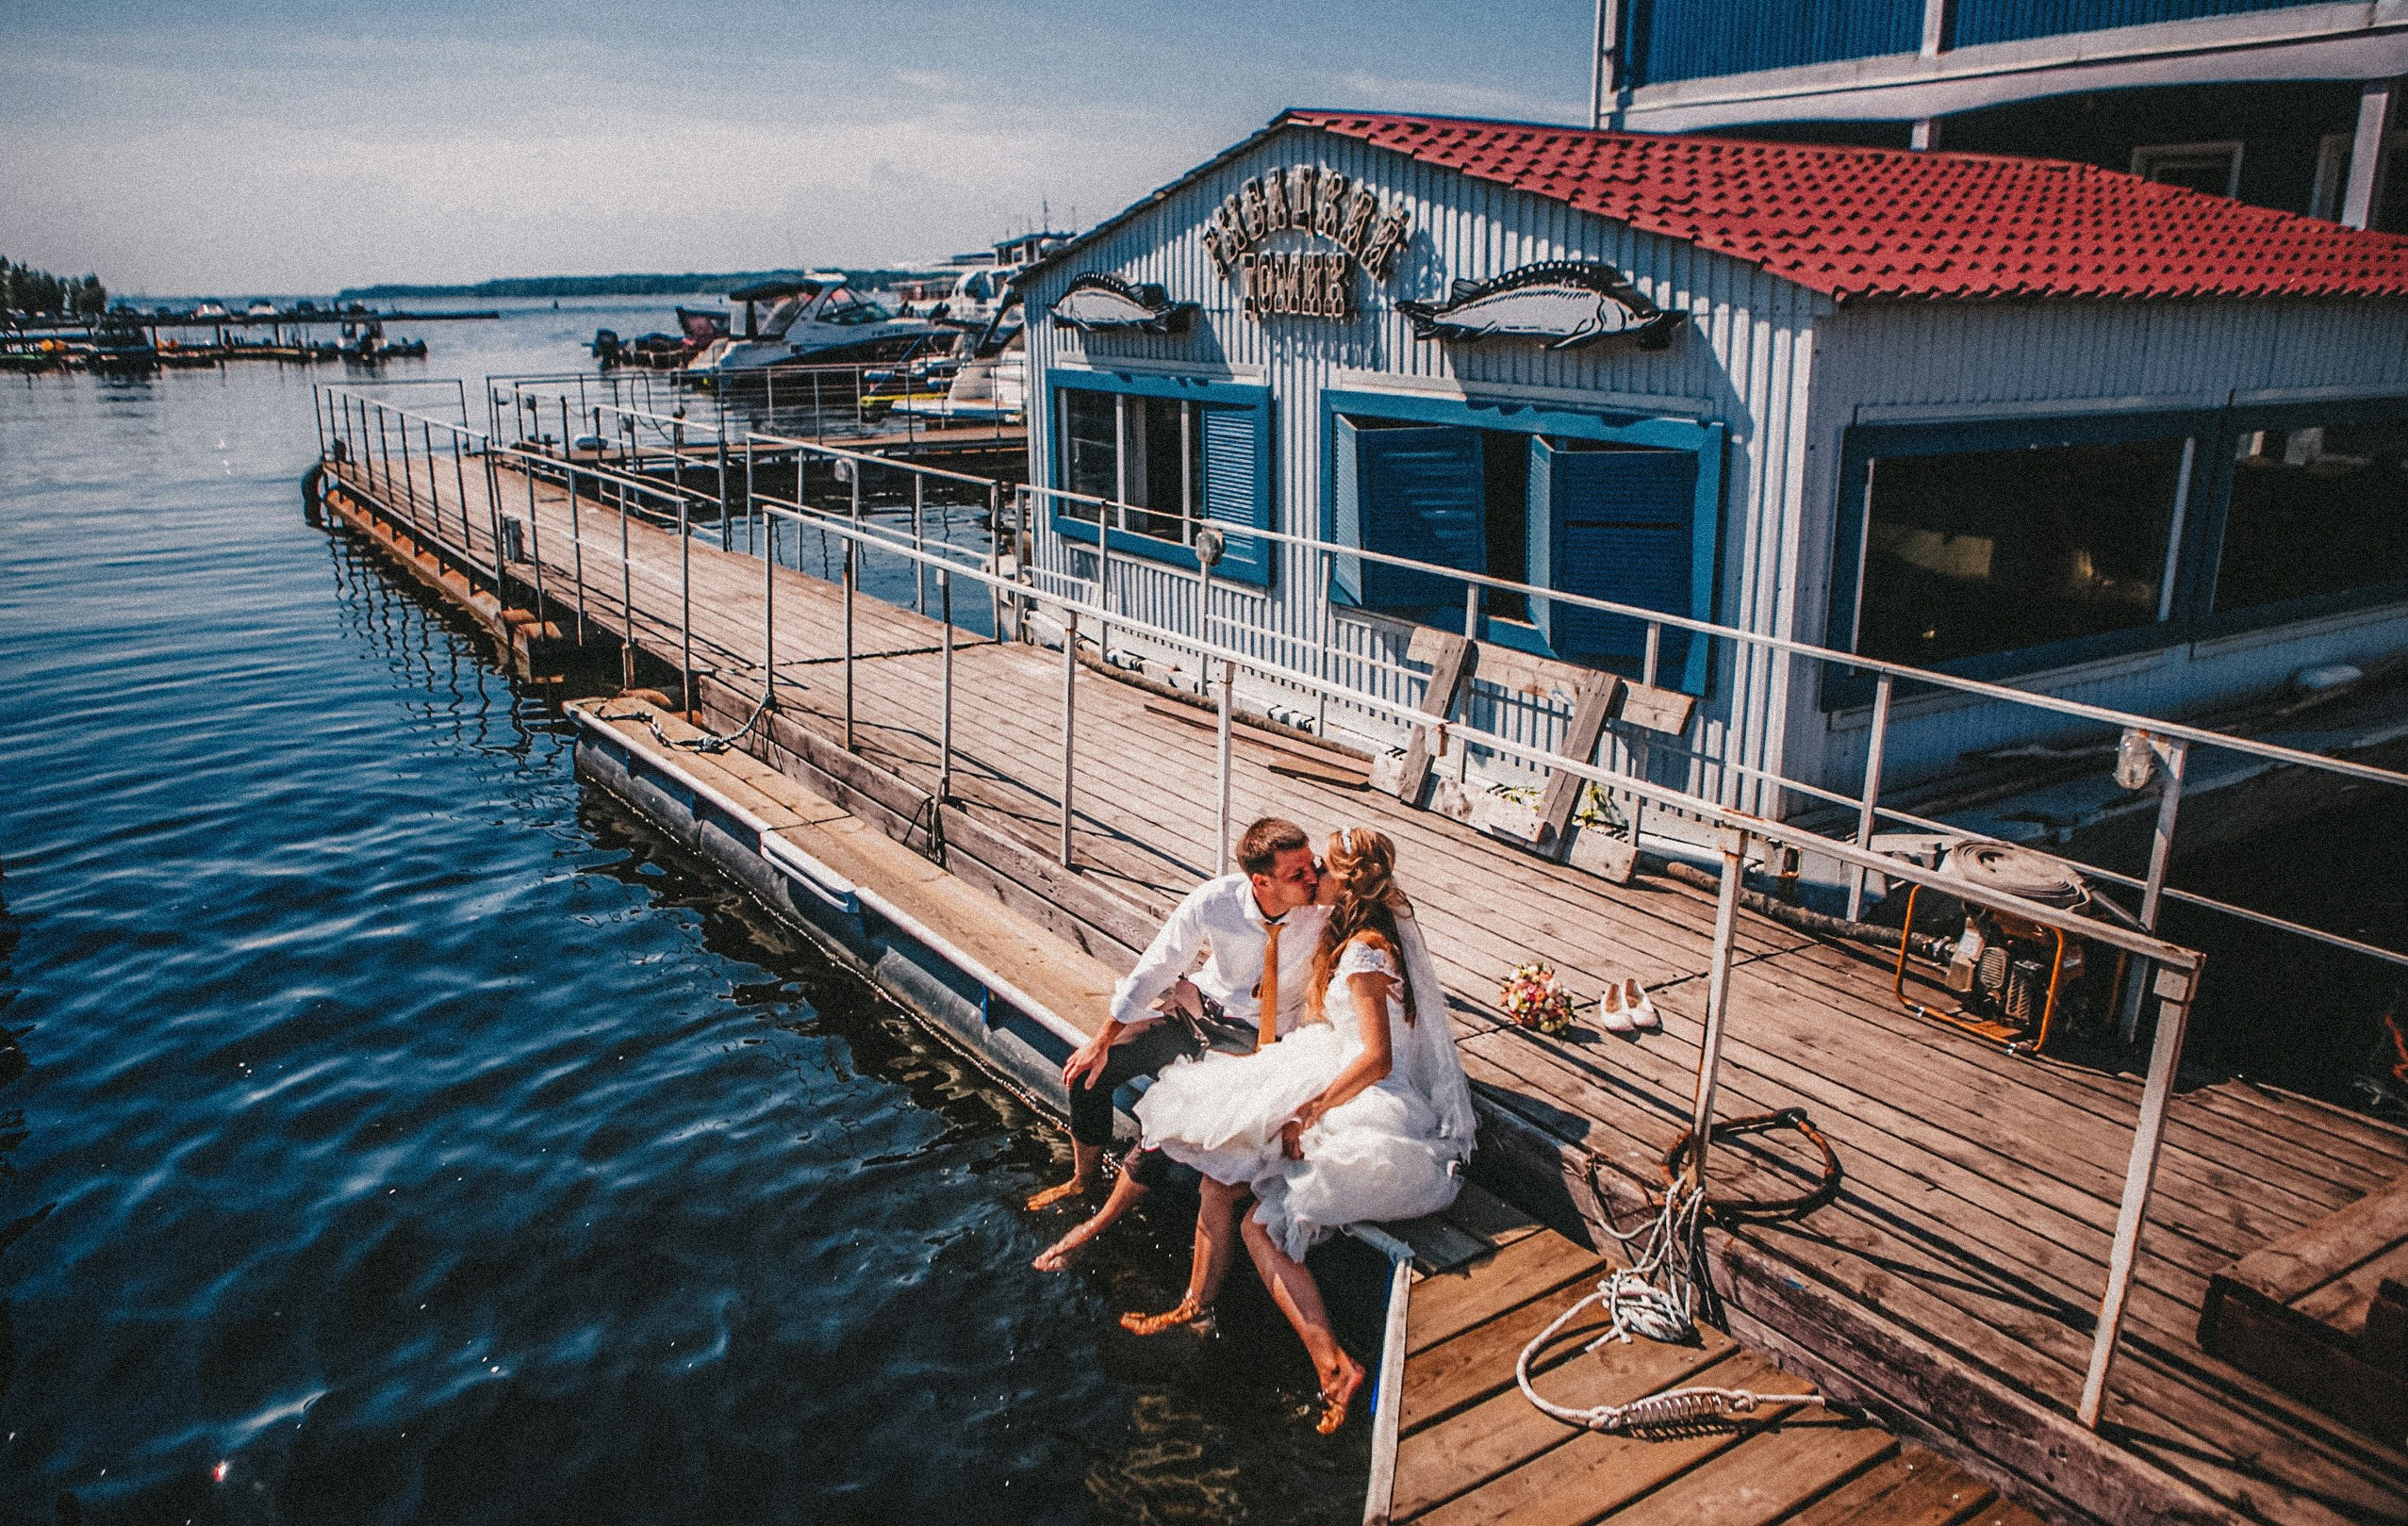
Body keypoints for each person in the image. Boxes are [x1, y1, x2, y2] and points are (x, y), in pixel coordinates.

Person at [1130, 828, 1476, 1433]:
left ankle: (1334, 1364)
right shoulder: (1342, 928)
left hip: (1364, 1096)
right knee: (1217, 1176)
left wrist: (1308, 1111)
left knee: (1261, 1221)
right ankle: (1195, 1303)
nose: (1311, 874)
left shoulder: (1366, 950)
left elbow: (1378, 1059)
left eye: (1322, 868)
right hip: (1323, 1061)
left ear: (1347, 884)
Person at [1027, 817, 1328, 1290]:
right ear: (1260, 881)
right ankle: (1083, 1178)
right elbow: (1158, 963)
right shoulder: (1217, 901)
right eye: (1298, 873)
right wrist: (1102, 1039)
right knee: (1090, 1073)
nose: (1312, 878)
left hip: (1255, 1040)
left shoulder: (1322, 906)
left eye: (1313, 865)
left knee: (1168, 1130)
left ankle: (1097, 1226)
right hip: (1197, 1012)